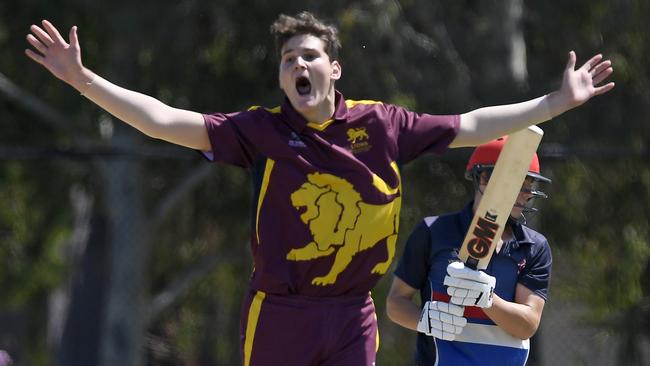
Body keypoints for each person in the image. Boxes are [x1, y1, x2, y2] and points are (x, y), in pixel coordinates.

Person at [25, 11, 613, 366]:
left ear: (335, 69)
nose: (296, 65)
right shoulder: (261, 131)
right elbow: (162, 119)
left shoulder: (383, 125)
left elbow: (476, 124)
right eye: (286, 60)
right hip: (280, 312)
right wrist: (83, 80)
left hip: (352, 312)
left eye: (309, 55)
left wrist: (557, 100)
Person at [386, 137, 553, 365]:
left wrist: (487, 299)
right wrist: (424, 320)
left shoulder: (534, 246)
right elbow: (396, 303)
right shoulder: (433, 232)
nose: (526, 193)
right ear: (483, 178)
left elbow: (527, 325)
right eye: (518, 182)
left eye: (529, 184)